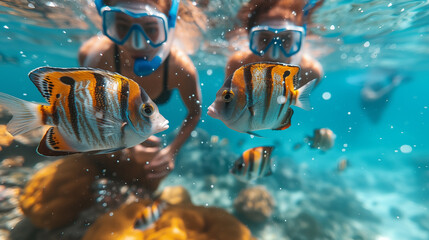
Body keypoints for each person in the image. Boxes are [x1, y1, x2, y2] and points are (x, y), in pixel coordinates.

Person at [78, 0, 202, 190]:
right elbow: (94, 106)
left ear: (167, 26)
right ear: (107, 23)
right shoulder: (95, 57)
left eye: (151, 28)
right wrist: (127, 143)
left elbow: (194, 112)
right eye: (121, 26)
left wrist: (171, 151)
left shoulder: (180, 68)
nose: (136, 43)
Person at [226, 0, 324, 88]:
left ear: (299, 40)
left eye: (286, 39)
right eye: (264, 39)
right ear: (250, 38)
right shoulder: (237, 67)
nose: (274, 56)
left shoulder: (310, 73)